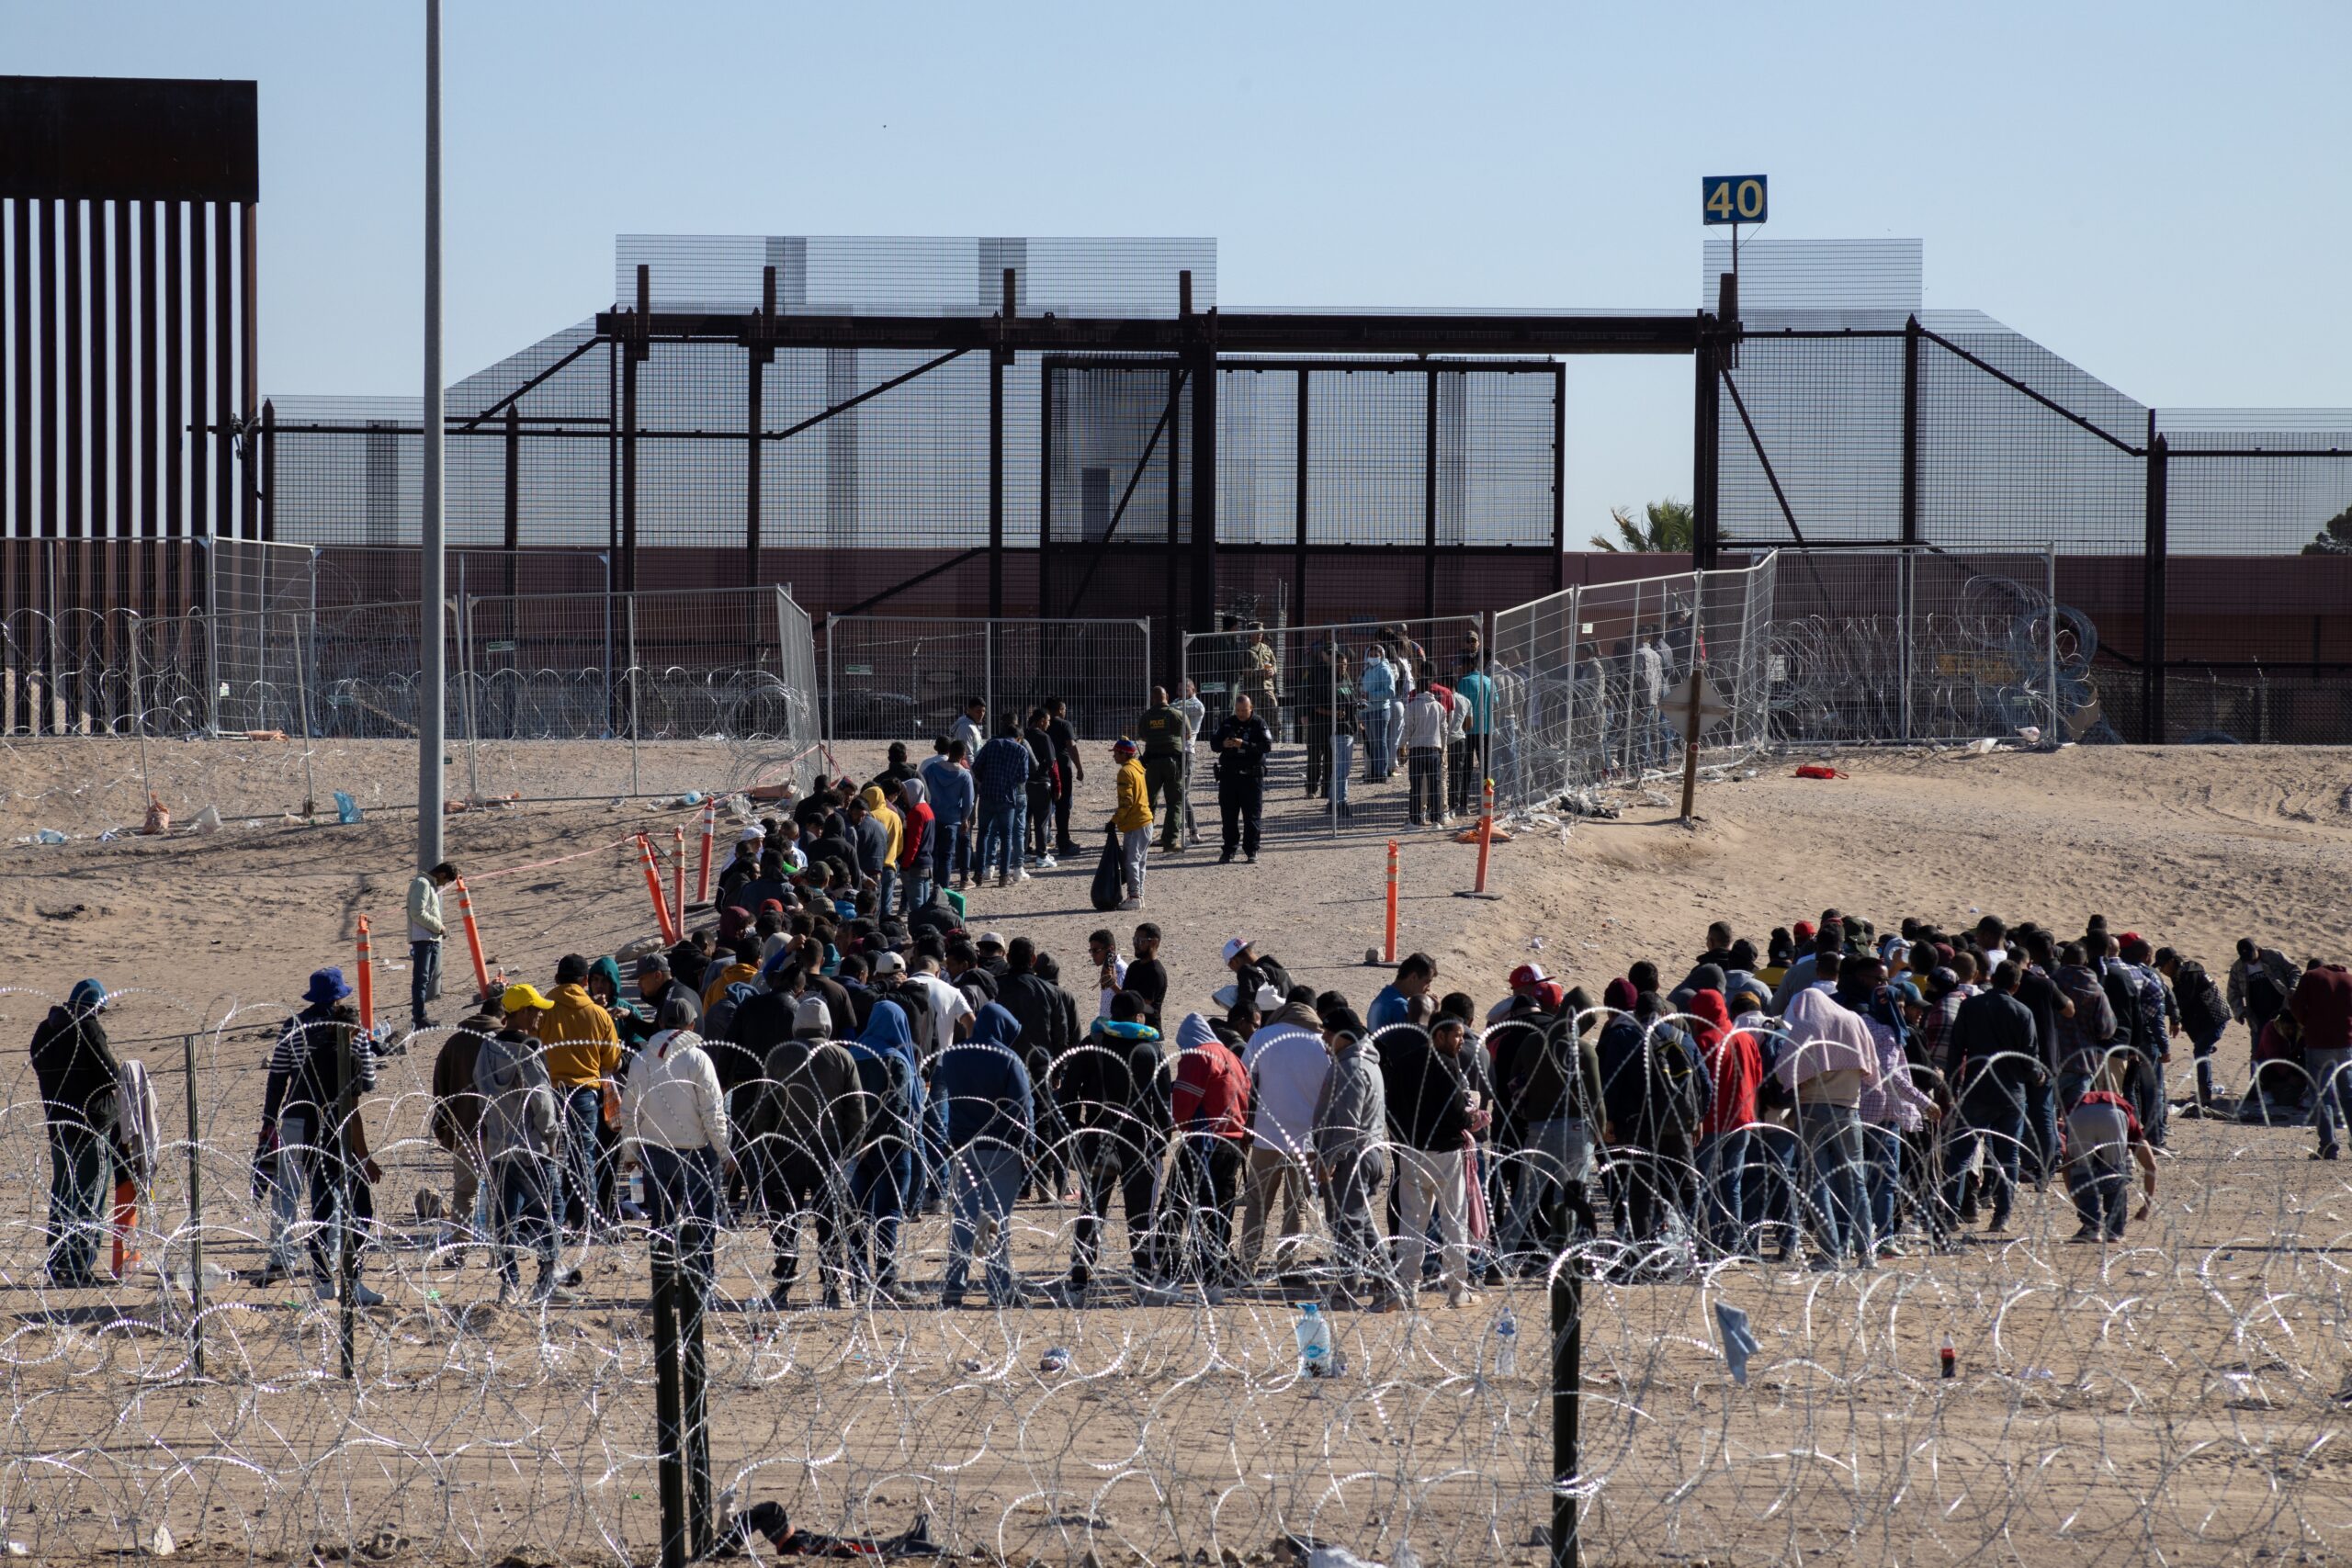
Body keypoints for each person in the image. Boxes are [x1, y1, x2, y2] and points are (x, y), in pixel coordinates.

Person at [260, 967, 386, 1303]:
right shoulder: (352, 1030)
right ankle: (338, 1269)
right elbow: (366, 1082)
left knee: (290, 1192)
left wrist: (269, 1119)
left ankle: (282, 1258)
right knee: (340, 1202)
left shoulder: (295, 1025)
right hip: (338, 1125)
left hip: (297, 1117)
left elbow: (278, 1076)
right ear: (340, 996)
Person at [745, 996, 866, 1309]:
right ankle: (831, 1287)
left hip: (786, 1147)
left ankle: (784, 1283)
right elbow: (856, 1110)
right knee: (829, 1222)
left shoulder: (779, 1056)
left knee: (785, 1220)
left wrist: (765, 1145)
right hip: (829, 1149)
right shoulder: (842, 1056)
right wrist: (853, 1149)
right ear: (826, 1024)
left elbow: (764, 1108)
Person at [933, 1001, 1035, 1308]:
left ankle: (953, 1288)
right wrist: (1028, 1148)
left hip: (965, 1149)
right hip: (1003, 1150)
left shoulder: (952, 1056)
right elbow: (1021, 1110)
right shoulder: (1008, 1058)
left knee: (964, 1220)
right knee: (996, 1221)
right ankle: (998, 1288)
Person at [1380, 1002, 1483, 1306]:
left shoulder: (1406, 1062)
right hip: (1445, 1154)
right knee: (1454, 1220)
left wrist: (1403, 1140)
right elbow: (1454, 1111)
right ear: (1439, 1036)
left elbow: (1391, 1107)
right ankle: (1456, 1288)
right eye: (1456, 1035)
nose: (1461, 1041)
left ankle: (1408, 1287)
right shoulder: (1446, 1065)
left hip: (1411, 1152)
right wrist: (1471, 1119)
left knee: (1412, 1221)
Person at [1777, 973, 1881, 1269]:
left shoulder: (1807, 1024)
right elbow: (1870, 1069)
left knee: (1818, 1183)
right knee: (1856, 1182)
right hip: (1850, 1110)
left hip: (1812, 1110)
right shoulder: (1853, 1021)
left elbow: (1786, 1071)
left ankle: (1830, 1252)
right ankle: (1867, 1252)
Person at [475, 989, 568, 1305]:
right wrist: (552, 1135)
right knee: (550, 1209)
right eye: (537, 1010)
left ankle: (509, 1283)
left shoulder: (488, 1048)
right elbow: (542, 1101)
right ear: (524, 1012)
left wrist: (490, 1133)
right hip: (532, 1148)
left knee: (505, 1217)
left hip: (500, 1146)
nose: (540, 1015)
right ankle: (548, 1277)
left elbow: (480, 1095)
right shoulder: (529, 1050)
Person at [31, 978, 123, 1288]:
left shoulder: (46, 1029)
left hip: (58, 1125)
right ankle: (80, 1266)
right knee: (89, 1196)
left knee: (64, 1194)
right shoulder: (89, 1026)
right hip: (91, 1125)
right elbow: (110, 1070)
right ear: (96, 1005)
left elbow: (38, 1063)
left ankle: (57, 1262)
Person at [1239, 987, 1329, 1280]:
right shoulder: (1323, 1043)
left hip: (1266, 1135)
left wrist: (1246, 1129)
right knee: (1296, 1208)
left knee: (1257, 1204)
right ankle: (1286, 1268)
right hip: (1306, 1141)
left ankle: (1248, 1265)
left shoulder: (1263, 1036)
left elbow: (1244, 1084)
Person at [1946, 962, 2040, 1235]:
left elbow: (1956, 1049)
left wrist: (1953, 1085)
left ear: (1992, 979)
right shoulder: (2023, 1012)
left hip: (1976, 1091)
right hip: (2011, 1094)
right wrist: (2036, 1078)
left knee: (1961, 1154)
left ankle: (1949, 1212)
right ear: (2016, 986)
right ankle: (2002, 1216)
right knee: (2008, 1157)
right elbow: (2030, 1058)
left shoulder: (1970, 1006)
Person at [842, 999, 923, 1302]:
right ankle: (887, 1278)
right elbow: (898, 1107)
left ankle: (857, 1278)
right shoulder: (897, 1060)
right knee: (887, 1213)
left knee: (859, 1213)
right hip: (892, 1146)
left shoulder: (854, 1054)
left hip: (859, 1148)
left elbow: (848, 1101)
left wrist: (860, 1139)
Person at [1168, 1011, 1251, 1303]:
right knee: (1218, 1213)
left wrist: (1175, 1123)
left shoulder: (1198, 1055)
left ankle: (1171, 1278)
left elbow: (1183, 1104)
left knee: (1177, 1206)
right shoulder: (1232, 1057)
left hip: (1204, 1142)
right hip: (1233, 1143)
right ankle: (1213, 1283)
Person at [541, 954, 624, 1237]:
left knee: (548, 1156)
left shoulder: (544, 1010)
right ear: (585, 981)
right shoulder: (598, 1014)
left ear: (556, 979)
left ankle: (552, 1217)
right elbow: (612, 1059)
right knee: (583, 1157)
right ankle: (585, 1220)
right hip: (585, 1094)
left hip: (549, 1093)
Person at [1310, 1006, 1388, 1304]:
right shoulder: (1355, 1063)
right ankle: (1387, 1282)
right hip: (1357, 1153)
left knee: (1348, 1224)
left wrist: (1329, 1160)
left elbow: (1347, 1126)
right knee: (1357, 1221)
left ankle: (1346, 1290)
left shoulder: (1352, 1066)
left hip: (1351, 1156)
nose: (1325, 1038)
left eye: (1329, 1032)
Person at [428, 989, 503, 1255]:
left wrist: (443, 1129)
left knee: (464, 1193)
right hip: (495, 1130)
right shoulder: (500, 1042)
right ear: (502, 1017)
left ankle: (459, 1251)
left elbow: (440, 1088)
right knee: (498, 1193)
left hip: (462, 1130)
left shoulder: (455, 1042)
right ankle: (499, 1254)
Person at [2061, 1060, 2157, 1243]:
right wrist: (2146, 1206)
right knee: (2116, 1170)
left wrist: (2079, 1202)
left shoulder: (2076, 1106)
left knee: (2082, 1169)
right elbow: (2151, 1165)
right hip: (2115, 1115)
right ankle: (2115, 1229)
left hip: (2079, 1115)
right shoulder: (2128, 1115)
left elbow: (2067, 1166)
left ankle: (2091, 1228)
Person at [2155, 946, 2233, 1112]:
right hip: (2205, 1019)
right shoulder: (2183, 973)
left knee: (2201, 1051)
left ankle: (2205, 1096)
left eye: (2162, 965)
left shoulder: (2188, 974)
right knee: (2202, 1048)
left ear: (2171, 962)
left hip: (2215, 1018)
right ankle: (2204, 1090)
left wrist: (2175, 1018)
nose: (2161, 970)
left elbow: (2184, 1003)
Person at [2292, 958, 2352, 1160]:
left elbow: (2296, 1006)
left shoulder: (2310, 977)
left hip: (2318, 1044)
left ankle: (2329, 1146)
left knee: (2322, 1096)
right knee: (2349, 1095)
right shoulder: (2348, 978)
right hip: (2345, 1044)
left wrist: (2308, 1023)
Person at [1208, 694, 1274, 864]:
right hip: (1229, 777)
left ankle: (1251, 850)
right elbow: (1214, 744)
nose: (1241, 714)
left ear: (1251, 708)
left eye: (1244, 710)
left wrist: (1243, 745)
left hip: (1251, 778)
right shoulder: (1228, 722)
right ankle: (1229, 850)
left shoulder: (1259, 723)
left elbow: (1266, 746)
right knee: (1228, 816)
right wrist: (1224, 744)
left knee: (1251, 816)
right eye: (1238, 710)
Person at [972, 716, 1033, 888]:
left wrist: (986, 780)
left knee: (983, 834)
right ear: (1019, 738)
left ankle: (979, 874)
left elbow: (976, 766)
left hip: (987, 796)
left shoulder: (991, 744)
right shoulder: (1021, 751)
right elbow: (1023, 777)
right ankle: (1004, 875)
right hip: (1007, 798)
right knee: (1007, 836)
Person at [407, 861, 460, 1033]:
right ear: (442, 875)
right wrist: (439, 927)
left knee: (426, 978)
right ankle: (419, 1017)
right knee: (421, 979)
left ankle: (421, 1015)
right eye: (445, 881)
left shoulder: (428, 885)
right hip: (424, 938)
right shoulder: (422, 883)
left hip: (431, 938)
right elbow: (417, 912)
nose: (443, 885)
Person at [2230, 939, 2301, 1067]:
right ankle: (2256, 1085)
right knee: (2258, 1053)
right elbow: (2232, 992)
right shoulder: (2238, 967)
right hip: (2257, 1017)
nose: (2250, 961)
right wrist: (2239, 1011)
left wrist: (2293, 988)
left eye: (2251, 956)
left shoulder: (2274, 956)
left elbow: (2294, 970)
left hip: (2283, 1012)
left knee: (2288, 1050)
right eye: (2246, 958)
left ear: (2257, 949)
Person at [1137, 686, 1189, 852]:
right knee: (1174, 802)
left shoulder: (1146, 717)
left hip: (1152, 763)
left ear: (1152, 698)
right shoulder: (1177, 715)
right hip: (1173, 763)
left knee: (1148, 802)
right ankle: (1170, 842)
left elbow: (1143, 736)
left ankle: (1145, 840)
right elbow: (1187, 734)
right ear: (1167, 696)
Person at [922, 739, 976, 893]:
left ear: (949, 751)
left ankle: (932, 886)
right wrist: (964, 818)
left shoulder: (932, 769)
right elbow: (968, 802)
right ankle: (942, 891)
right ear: (963, 755)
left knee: (933, 854)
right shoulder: (964, 776)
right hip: (952, 820)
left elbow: (924, 790)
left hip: (933, 817)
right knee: (946, 857)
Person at [1111, 737, 1153, 910]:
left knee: (1131, 862)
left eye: (1116, 753)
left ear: (1123, 754)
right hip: (1146, 820)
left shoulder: (1125, 772)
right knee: (1140, 862)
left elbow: (1126, 801)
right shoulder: (1138, 768)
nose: (1114, 756)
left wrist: (1114, 821)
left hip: (1135, 822)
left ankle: (1134, 896)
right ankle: (1139, 895)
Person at [1452, 654, 1496, 818]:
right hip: (1486, 728)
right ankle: (1486, 801)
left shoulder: (1464, 682)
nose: (1459, 668)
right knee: (1486, 769)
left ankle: (1463, 803)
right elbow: (1495, 702)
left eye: (1461, 665)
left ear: (1468, 665)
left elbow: (1460, 706)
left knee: (1466, 768)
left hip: (1468, 730)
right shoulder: (1488, 681)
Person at [1400, 679, 1447, 826]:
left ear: (1417, 689)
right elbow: (1444, 731)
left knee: (1416, 785)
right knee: (1435, 785)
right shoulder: (1439, 707)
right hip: (1434, 749)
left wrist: (1402, 745)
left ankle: (1415, 820)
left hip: (1416, 750)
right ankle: (1436, 820)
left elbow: (1407, 728)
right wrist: (1443, 749)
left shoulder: (1412, 707)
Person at [1021, 708, 1060, 870]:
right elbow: (1052, 763)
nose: (1049, 724)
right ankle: (1042, 855)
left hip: (1024, 785)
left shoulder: (1022, 735)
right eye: (1048, 720)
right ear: (1042, 720)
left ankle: (1022, 853)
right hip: (1041, 783)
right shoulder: (1044, 737)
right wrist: (1057, 785)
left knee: (1024, 821)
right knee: (1042, 822)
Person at [1047, 698, 1086, 860]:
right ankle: (1063, 842)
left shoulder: (1043, 724)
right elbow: (1071, 746)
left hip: (1045, 770)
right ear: (1060, 710)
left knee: (1045, 808)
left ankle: (1042, 842)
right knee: (1063, 807)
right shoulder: (1065, 725)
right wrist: (1079, 767)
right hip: (1062, 769)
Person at [1172, 679, 1206, 847]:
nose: (1181, 691)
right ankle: (1171, 834)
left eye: (1185, 688)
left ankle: (1194, 832)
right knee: (1174, 795)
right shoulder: (1175, 703)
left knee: (1182, 794)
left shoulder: (1197, 706)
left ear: (1193, 689)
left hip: (1187, 753)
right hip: (1173, 753)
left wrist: (1170, 708)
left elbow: (1183, 711)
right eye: (1179, 688)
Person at [1358, 644, 1397, 783]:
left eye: (1376, 655)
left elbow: (1391, 692)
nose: (1373, 658)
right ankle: (1373, 771)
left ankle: (1382, 773)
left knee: (1380, 742)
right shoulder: (1367, 669)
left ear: (1382, 656)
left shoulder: (1385, 670)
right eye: (1371, 655)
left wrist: (1371, 696)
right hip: (1367, 710)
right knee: (1372, 743)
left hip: (1380, 710)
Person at [1368, 953, 1436, 1032]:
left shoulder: (1385, 995)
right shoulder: (1399, 1005)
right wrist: (1433, 1014)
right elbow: (1418, 1039)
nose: (1428, 989)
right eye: (1427, 982)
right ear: (1413, 977)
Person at [1124, 923, 1170, 1037]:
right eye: (1134, 940)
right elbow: (1124, 997)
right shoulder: (1134, 966)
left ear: (1154, 942)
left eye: (1140, 941)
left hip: (1150, 1036)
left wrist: (1114, 987)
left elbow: (1139, 1005)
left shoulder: (1156, 972)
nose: (1135, 945)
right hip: (1132, 1032)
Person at [1240, 626, 1282, 739]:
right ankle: (1254, 739)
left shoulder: (1266, 649)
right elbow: (1242, 670)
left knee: (1273, 711)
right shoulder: (1244, 649)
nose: (1259, 635)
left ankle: (1274, 740)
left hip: (1267, 687)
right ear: (1250, 634)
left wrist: (1273, 670)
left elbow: (1274, 664)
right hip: (1252, 689)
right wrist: (1260, 673)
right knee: (1253, 716)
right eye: (1256, 633)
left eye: (1261, 633)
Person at [950, 695, 988, 761]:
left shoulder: (972, 725)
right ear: (969, 710)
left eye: (983, 711)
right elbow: (967, 754)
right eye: (978, 711)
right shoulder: (966, 727)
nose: (981, 714)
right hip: (968, 768)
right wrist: (972, 770)